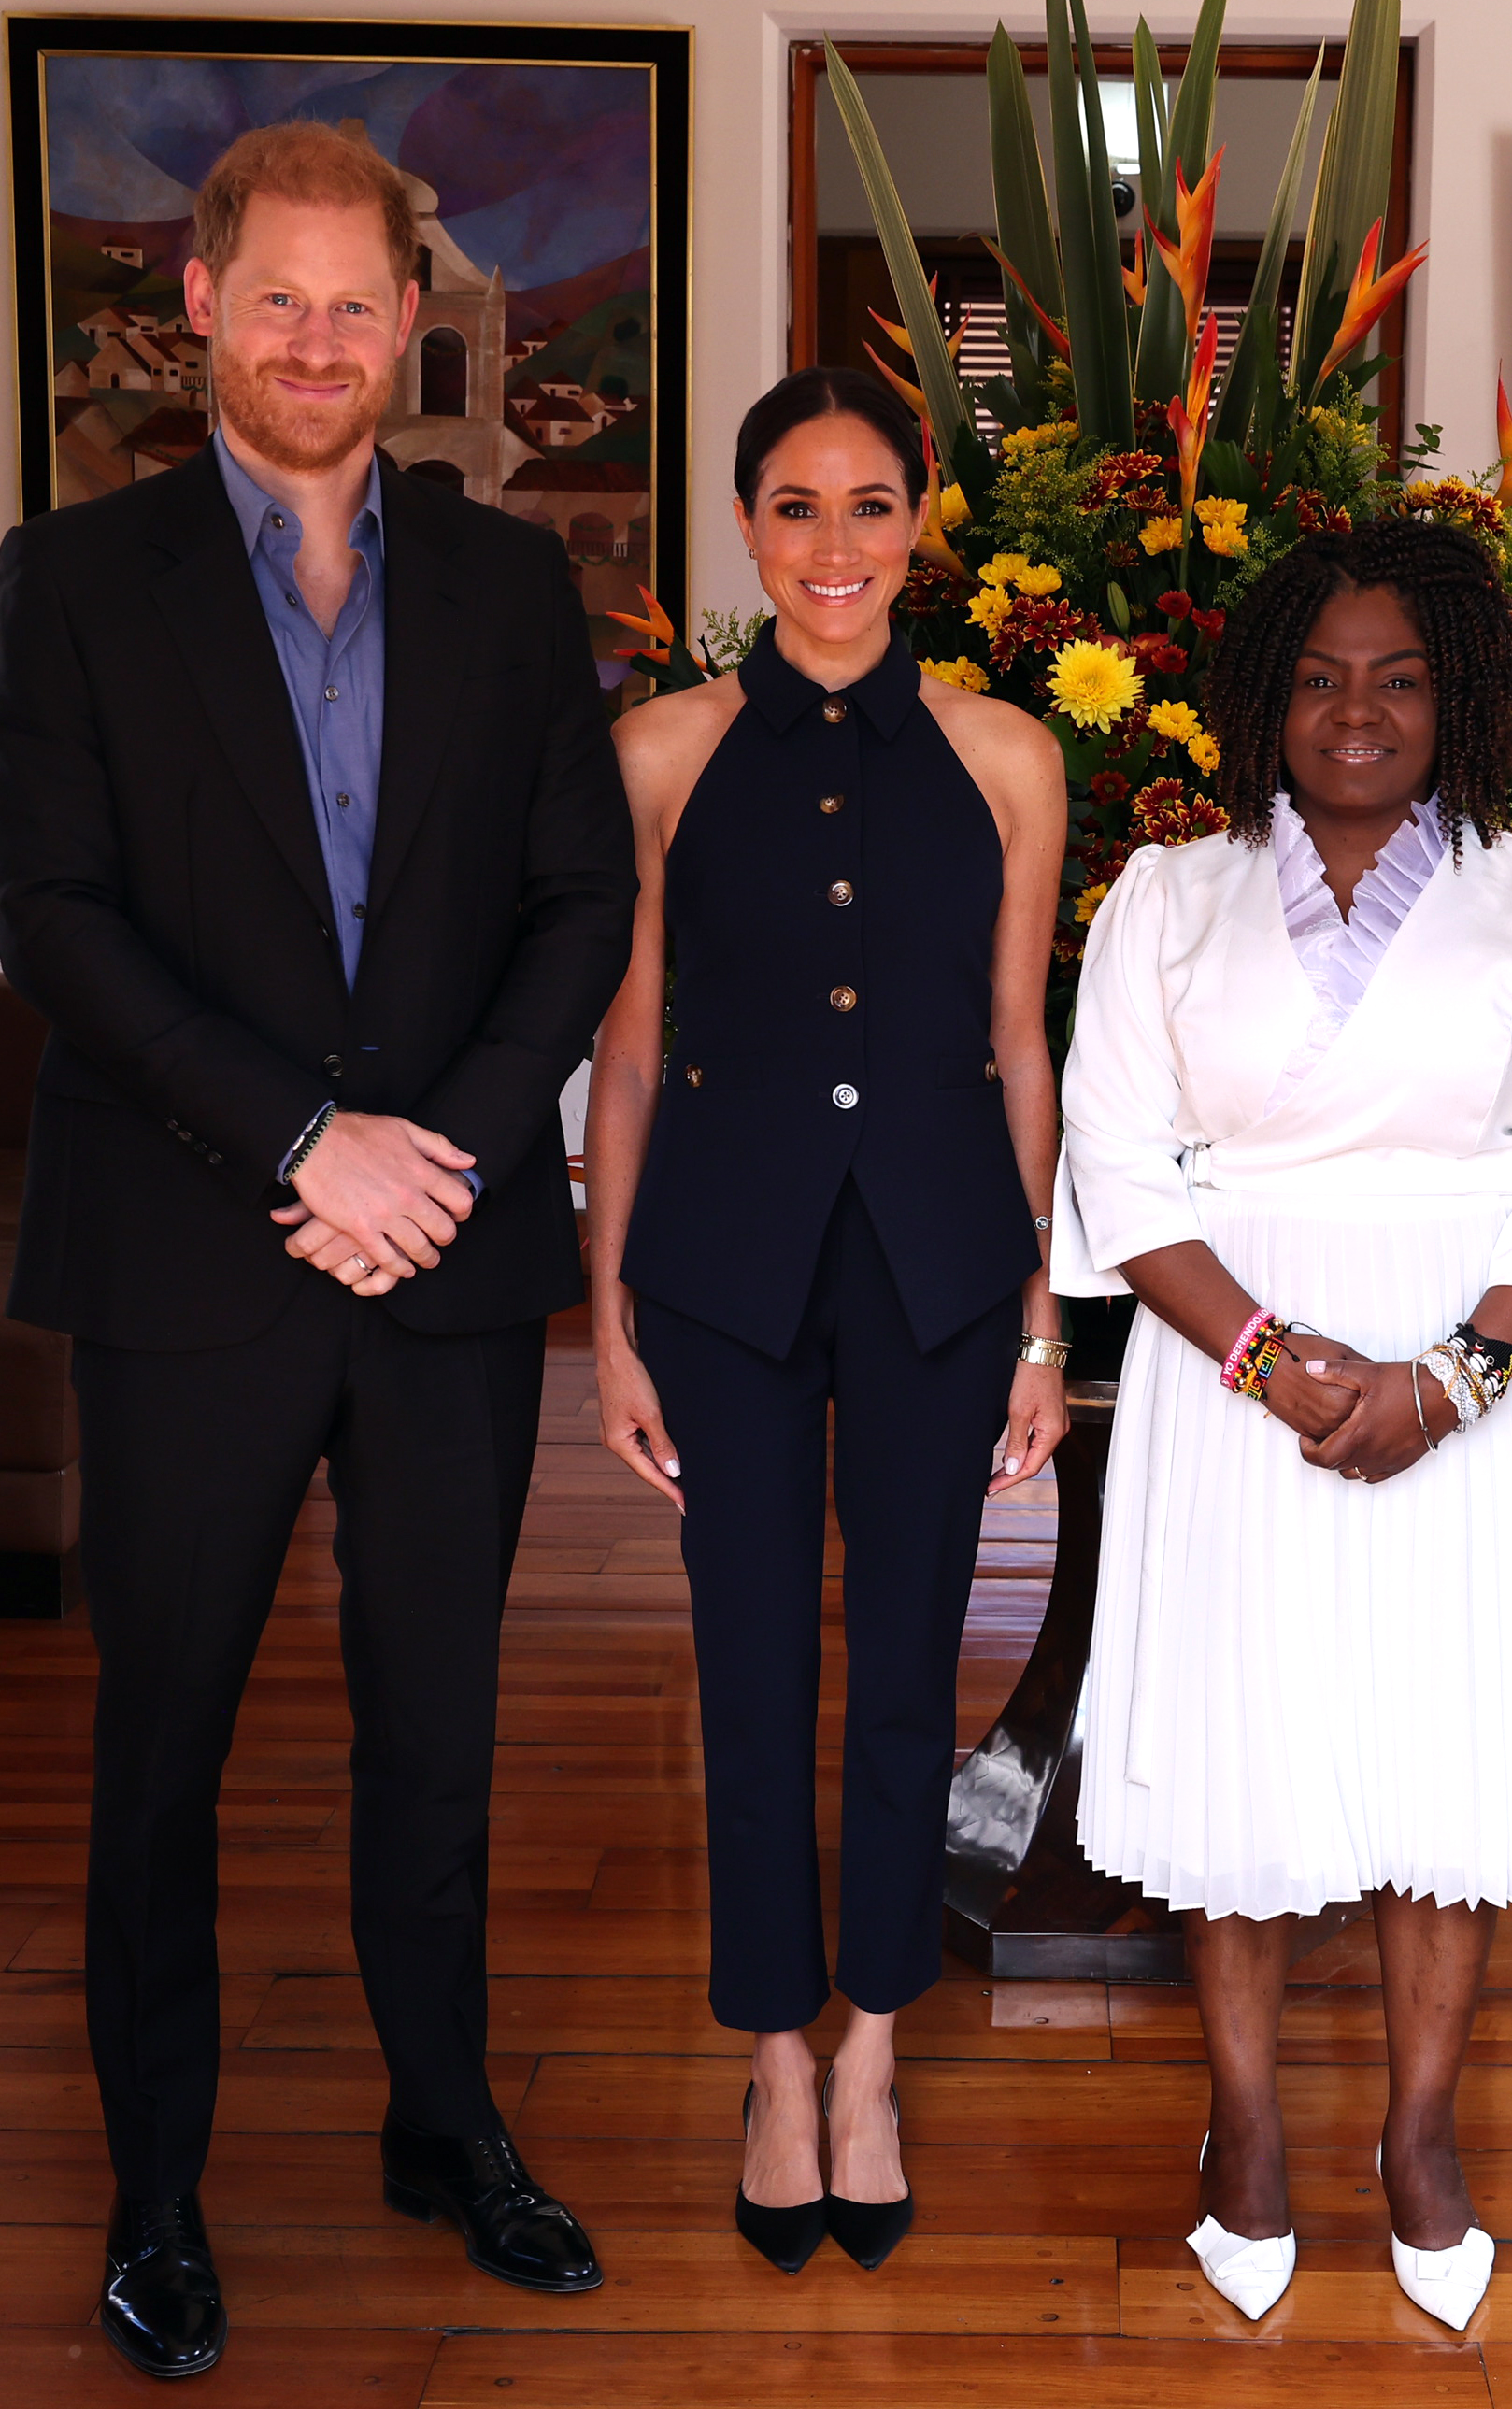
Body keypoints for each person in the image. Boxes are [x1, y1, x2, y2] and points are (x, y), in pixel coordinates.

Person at [0, 121, 634, 2381]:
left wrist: (429, 1150)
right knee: (161, 1748)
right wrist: (301, 1141)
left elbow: (580, 903)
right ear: (201, 298)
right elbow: (53, 920)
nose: (324, 343)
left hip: (441, 1251)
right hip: (187, 1255)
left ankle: (444, 2125)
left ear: (407, 319)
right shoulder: (75, 581)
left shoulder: (509, 586)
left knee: (434, 1731)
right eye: (284, 300)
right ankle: (154, 2192)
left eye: (363, 304)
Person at [1053, 517, 1512, 2333]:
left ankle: (1421, 2137)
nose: (1356, 712)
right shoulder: (1169, 895)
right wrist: (1276, 1363)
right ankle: (1243, 2134)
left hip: (1471, 1372)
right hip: (1235, 1369)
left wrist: (1451, 1378)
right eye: (1316, 679)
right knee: (1249, 1766)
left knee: (1436, 1767)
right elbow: (1119, 1154)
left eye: (1395, 678)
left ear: (1455, 692)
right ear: (1260, 701)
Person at [580, 367, 1072, 2274]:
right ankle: (771, 2055)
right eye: (796, 508)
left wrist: (1039, 1311)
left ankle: (872, 2045)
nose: (836, 548)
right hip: (722, 1266)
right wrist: (614, 1319)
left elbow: (1019, 1048)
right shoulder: (660, 755)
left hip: (945, 1260)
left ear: (925, 515)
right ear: (744, 526)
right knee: (749, 1664)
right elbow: (627, 1058)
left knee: (905, 1672)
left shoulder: (1013, 757)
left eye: (873, 504)